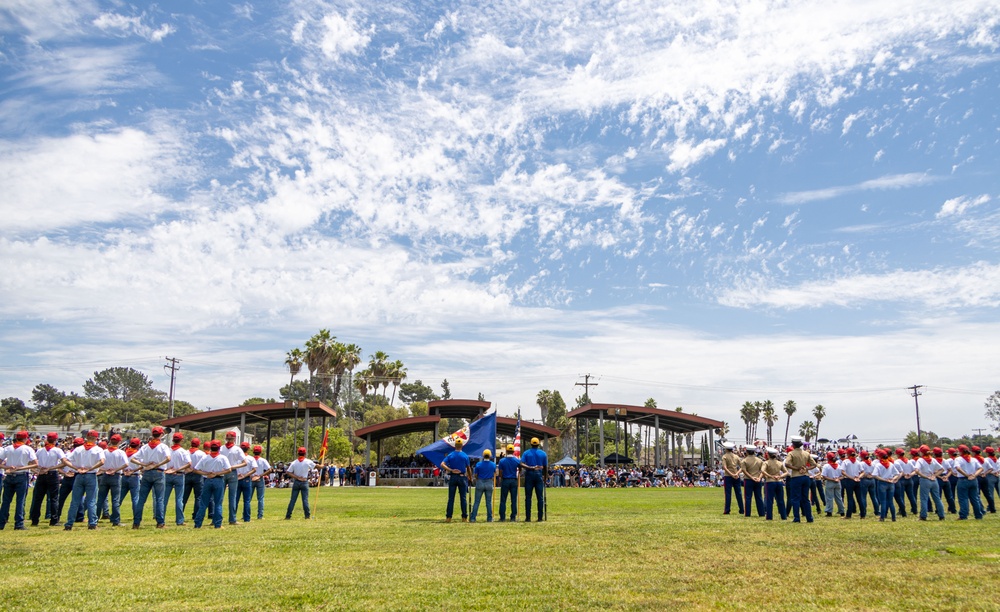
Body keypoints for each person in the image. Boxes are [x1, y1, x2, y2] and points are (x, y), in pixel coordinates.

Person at [62, 430, 105, 531]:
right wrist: (91, 468)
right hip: (90, 474)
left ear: (86, 437)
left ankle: (69, 524)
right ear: (95, 438)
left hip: (79, 475)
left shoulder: (78, 449)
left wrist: (76, 468)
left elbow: (65, 460)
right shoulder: (98, 449)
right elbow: (102, 461)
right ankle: (92, 523)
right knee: (91, 501)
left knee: (75, 501)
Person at [130, 425, 172, 529]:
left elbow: (133, 459)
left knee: (141, 499)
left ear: (152, 434)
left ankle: (136, 522)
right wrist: (157, 465)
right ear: (161, 434)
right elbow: (168, 458)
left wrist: (145, 465)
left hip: (147, 472)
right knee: (159, 499)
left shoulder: (145, 447)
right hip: (159, 472)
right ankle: (160, 522)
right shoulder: (163, 446)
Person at [0, 431, 38, 530]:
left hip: (9, 475)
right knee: (20, 501)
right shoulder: (27, 449)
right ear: (25, 439)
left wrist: (7, 466)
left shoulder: (7, 448)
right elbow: (35, 464)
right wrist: (22, 467)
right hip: (21, 475)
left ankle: (1, 523)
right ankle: (19, 523)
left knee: (6, 501)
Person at [193, 440, 231, 529]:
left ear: (210, 447)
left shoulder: (205, 458)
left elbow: (196, 469)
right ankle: (218, 524)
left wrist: (206, 474)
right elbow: (228, 469)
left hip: (207, 479)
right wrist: (217, 473)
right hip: (218, 479)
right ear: (219, 448)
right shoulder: (223, 458)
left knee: (203, 503)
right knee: (218, 503)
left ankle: (198, 523)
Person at [29, 432, 64, 527]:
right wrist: (53, 467)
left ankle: (35, 520)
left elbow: (31, 462)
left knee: (38, 498)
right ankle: (53, 520)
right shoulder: (57, 450)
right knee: (53, 498)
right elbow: (64, 462)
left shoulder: (40, 451)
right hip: (52, 473)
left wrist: (37, 471)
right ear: (56, 440)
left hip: (42, 474)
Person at [96, 434, 129, 527]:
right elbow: (126, 464)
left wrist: (105, 469)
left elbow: (100, 463)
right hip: (116, 475)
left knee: (100, 498)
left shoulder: (104, 451)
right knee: (115, 499)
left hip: (105, 475)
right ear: (119, 442)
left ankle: (95, 518)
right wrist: (116, 469)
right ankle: (115, 520)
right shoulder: (120, 452)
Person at [783, 436, 817, 523]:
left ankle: (797, 518)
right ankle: (809, 518)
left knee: (795, 498)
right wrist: (806, 469)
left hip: (796, 476)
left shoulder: (791, 453)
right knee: (805, 498)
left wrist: (796, 468)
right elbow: (814, 464)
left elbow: (787, 464)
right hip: (806, 476)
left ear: (793, 444)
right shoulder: (806, 453)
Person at [163, 432, 192, 526]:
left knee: (164, 499)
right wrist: (178, 469)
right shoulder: (183, 451)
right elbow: (189, 463)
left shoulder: (168, 450)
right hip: (179, 474)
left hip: (168, 474)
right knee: (179, 499)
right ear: (181, 440)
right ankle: (179, 520)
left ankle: (161, 519)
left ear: (172, 440)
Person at [440, 439, 472, 522]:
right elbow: (468, 468)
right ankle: (464, 517)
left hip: (453, 477)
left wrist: (450, 470)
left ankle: (448, 517)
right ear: (462, 446)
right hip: (462, 477)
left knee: (451, 498)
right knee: (463, 498)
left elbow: (442, 464)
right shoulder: (465, 456)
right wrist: (470, 478)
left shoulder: (450, 455)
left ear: (455, 446)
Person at [220, 431, 248, 526]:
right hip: (232, 471)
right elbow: (245, 462)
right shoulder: (237, 449)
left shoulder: (221, 448)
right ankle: (232, 519)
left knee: (219, 496)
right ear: (235, 439)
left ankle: (217, 518)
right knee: (232, 497)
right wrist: (234, 466)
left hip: (222, 472)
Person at [914, 445, 945, 521]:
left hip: (925, 480)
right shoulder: (933, 459)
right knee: (937, 498)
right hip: (934, 480)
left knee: (924, 498)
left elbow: (916, 470)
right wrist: (935, 475)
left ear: (922, 452)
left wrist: (924, 476)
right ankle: (941, 515)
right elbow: (942, 469)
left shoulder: (920, 460)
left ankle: (923, 515)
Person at [953, 445, 984, 520]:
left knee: (963, 498)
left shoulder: (958, 459)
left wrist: (966, 475)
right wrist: (974, 475)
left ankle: (963, 515)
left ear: (960, 451)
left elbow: (957, 468)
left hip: (963, 479)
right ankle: (978, 515)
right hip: (973, 480)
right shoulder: (973, 459)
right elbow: (981, 468)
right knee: (975, 498)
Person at [521, 437, 548, 523]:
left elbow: (521, 463)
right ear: (538, 444)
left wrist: (529, 467)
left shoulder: (526, 453)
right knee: (540, 497)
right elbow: (545, 467)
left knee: (528, 497)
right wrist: (545, 476)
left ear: (531, 443)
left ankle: (528, 517)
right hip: (539, 475)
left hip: (529, 474)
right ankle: (540, 517)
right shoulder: (543, 453)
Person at [285, 447, 314, 520]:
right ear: (305, 453)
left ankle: (288, 516)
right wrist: (322, 466)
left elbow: (288, 472)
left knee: (293, 500)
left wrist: (297, 477)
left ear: (298, 453)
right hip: (304, 481)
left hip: (296, 482)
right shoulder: (308, 461)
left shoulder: (294, 462)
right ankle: (307, 516)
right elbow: (317, 466)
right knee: (305, 500)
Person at [470, 449, 497, 523]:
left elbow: (475, 475)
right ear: (490, 456)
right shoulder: (493, 464)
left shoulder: (478, 464)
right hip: (489, 482)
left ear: (483, 455)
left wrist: (478, 478)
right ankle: (489, 518)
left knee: (477, 501)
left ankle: (473, 518)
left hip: (480, 482)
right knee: (488, 502)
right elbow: (496, 474)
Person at [760, 447, 787, 521]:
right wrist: (780, 476)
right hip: (779, 481)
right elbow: (786, 472)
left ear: (768, 455)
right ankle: (783, 516)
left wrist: (769, 476)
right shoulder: (779, 463)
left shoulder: (766, 462)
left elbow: (762, 470)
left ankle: (769, 516)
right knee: (780, 500)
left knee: (769, 500)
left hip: (770, 482)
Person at [873, 449, 900, 522]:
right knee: (890, 501)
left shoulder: (878, 465)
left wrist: (884, 479)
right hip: (891, 484)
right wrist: (892, 479)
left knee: (883, 501)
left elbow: (875, 475)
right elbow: (897, 474)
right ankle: (893, 517)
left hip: (882, 483)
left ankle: (882, 517)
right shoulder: (891, 464)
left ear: (880, 457)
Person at [119, 438, 142, 520]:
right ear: (138, 445)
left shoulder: (125, 453)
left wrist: (124, 471)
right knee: (135, 498)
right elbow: (142, 465)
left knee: (120, 497)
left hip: (124, 475)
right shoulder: (138, 454)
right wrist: (133, 471)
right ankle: (136, 516)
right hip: (134, 476)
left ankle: (115, 515)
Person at [183, 438, 205, 522]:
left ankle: (180, 514)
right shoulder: (201, 454)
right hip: (198, 474)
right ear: (198, 444)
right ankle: (196, 515)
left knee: (184, 496)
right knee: (198, 497)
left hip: (187, 474)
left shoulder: (186, 452)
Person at [740, 446, 765, 518]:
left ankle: (747, 513)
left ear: (747, 452)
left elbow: (744, 471)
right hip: (757, 480)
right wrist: (759, 477)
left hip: (748, 480)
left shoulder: (744, 461)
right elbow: (763, 471)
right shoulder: (759, 460)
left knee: (748, 497)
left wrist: (751, 477)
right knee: (759, 497)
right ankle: (761, 513)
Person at [497, 444, 520, 522]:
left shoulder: (502, 461)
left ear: (506, 451)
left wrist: (502, 478)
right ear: (513, 451)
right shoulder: (517, 460)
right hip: (514, 480)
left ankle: (502, 517)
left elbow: (500, 473)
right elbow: (520, 469)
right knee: (513, 500)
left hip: (505, 480)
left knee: (503, 499)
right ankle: (513, 517)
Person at [720, 442, 744, 515]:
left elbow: (724, 467)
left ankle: (727, 510)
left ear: (726, 449)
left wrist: (731, 474)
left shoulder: (724, 456)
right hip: (736, 476)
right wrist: (736, 473)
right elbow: (742, 467)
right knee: (739, 494)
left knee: (728, 494)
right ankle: (742, 509)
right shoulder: (736, 456)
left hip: (728, 476)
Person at [840, 448, 864, 519]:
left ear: (847, 454)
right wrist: (859, 477)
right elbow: (863, 472)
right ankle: (863, 514)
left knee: (850, 498)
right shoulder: (858, 461)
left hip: (849, 480)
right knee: (859, 498)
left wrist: (850, 477)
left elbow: (843, 471)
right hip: (857, 480)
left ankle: (848, 515)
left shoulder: (846, 462)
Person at [236, 441, 256, 523]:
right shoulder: (251, 458)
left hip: (237, 479)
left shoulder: (237, 458)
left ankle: (233, 517)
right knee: (247, 500)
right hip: (247, 479)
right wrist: (245, 475)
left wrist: (238, 475)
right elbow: (254, 469)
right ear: (248, 449)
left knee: (235, 500)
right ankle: (247, 518)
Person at [250, 445, 271, 519]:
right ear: (260, 452)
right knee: (260, 498)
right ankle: (260, 515)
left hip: (251, 478)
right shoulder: (263, 460)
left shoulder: (250, 459)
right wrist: (261, 475)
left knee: (248, 498)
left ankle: (246, 515)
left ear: (253, 452)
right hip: (260, 479)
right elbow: (269, 469)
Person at [821, 452, 845, 517]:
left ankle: (829, 511)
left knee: (829, 498)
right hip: (838, 482)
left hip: (830, 482)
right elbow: (843, 475)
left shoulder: (826, 466)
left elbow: (824, 476)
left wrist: (832, 479)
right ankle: (842, 510)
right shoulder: (839, 466)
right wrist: (838, 479)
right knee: (839, 497)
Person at [858, 450, 880, 517]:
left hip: (864, 480)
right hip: (872, 480)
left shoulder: (861, 463)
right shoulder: (872, 463)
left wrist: (865, 475)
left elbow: (860, 472)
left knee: (863, 497)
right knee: (874, 497)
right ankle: (877, 511)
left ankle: (863, 511)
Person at [984, 447, 999, 514]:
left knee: (990, 493)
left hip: (990, 476)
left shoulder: (986, 459)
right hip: (998, 475)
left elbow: (987, 469)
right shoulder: (997, 459)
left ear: (987, 453)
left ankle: (990, 507)